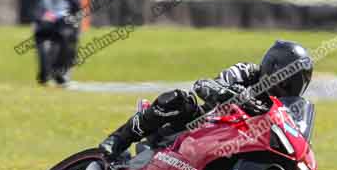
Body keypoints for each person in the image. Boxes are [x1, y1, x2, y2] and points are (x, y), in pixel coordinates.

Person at [97, 40, 314, 159]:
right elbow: (204, 85)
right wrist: (225, 93)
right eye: (287, 80)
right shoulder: (247, 72)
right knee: (179, 100)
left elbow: (295, 132)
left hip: (236, 146)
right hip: (200, 127)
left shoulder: (284, 109)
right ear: (272, 68)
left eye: (296, 83)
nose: (289, 88)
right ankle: (118, 139)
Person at [34, 0, 82, 85]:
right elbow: (38, 12)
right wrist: (39, 20)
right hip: (47, 25)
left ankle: (60, 72)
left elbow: (77, 13)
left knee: (70, 45)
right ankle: (45, 73)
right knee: (42, 43)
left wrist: (73, 25)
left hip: (63, 25)